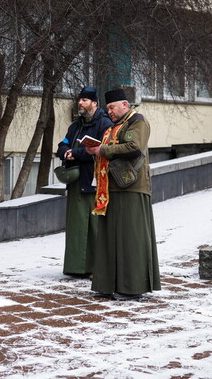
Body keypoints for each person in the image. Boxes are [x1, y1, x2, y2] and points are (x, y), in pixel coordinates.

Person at [84, 88, 161, 300]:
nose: (109, 111)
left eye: (112, 107)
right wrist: (96, 149)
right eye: (107, 108)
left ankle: (132, 287)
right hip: (112, 188)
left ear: (125, 105)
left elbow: (134, 147)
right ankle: (108, 284)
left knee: (130, 240)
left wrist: (103, 150)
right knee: (109, 239)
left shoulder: (138, 121)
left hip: (132, 188)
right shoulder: (115, 127)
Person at [56, 86, 112, 277]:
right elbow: (62, 143)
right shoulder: (75, 125)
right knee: (76, 227)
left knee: (94, 228)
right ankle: (76, 267)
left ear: (95, 103)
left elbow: (104, 149)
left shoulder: (104, 124)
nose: (80, 103)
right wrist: (65, 152)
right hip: (75, 182)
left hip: (95, 182)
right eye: (80, 100)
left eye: (85, 100)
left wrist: (77, 153)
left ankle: (95, 268)